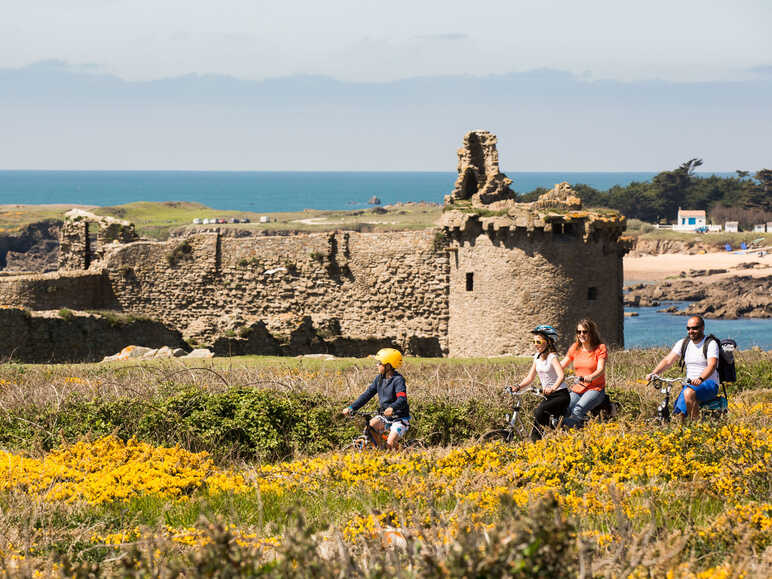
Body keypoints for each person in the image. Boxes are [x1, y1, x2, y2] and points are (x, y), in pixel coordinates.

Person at [645, 315, 719, 420]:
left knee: (688, 393)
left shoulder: (711, 344)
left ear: (702, 328)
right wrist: (654, 373)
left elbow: (712, 365)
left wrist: (700, 379)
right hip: (689, 384)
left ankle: (696, 427)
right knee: (678, 414)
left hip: (708, 383)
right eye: (688, 328)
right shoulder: (684, 343)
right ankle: (686, 432)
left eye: (694, 328)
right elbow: (668, 360)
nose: (691, 331)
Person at [342, 348, 409, 449]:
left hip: (399, 418)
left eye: (380, 363)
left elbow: (402, 399)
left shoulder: (398, 380)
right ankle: (380, 451)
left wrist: (392, 408)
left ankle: (404, 455)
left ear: (388, 365)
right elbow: (367, 395)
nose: (377, 365)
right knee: (370, 428)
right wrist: (352, 407)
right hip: (384, 417)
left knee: (390, 443)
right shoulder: (379, 379)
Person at [513, 325, 570, 441]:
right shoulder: (537, 357)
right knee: (540, 419)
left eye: (538, 341)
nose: (535, 344)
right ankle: (544, 441)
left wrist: (553, 388)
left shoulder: (552, 357)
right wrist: (518, 387)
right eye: (534, 341)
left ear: (548, 342)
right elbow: (530, 377)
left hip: (560, 395)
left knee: (539, 411)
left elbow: (561, 375)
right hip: (548, 396)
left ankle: (535, 443)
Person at [561, 318, 608, 428]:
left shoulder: (600, 348)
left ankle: (570, 434)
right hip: (577, 388)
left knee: (578, 409)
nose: (581, 334)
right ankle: (578, 428)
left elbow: (601, 369)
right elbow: (562, 364)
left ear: (591, 333)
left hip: (595, 389)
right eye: (579, 332)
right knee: (565, 409)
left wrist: (590, 377)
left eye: (585, 332)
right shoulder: (575, 348)